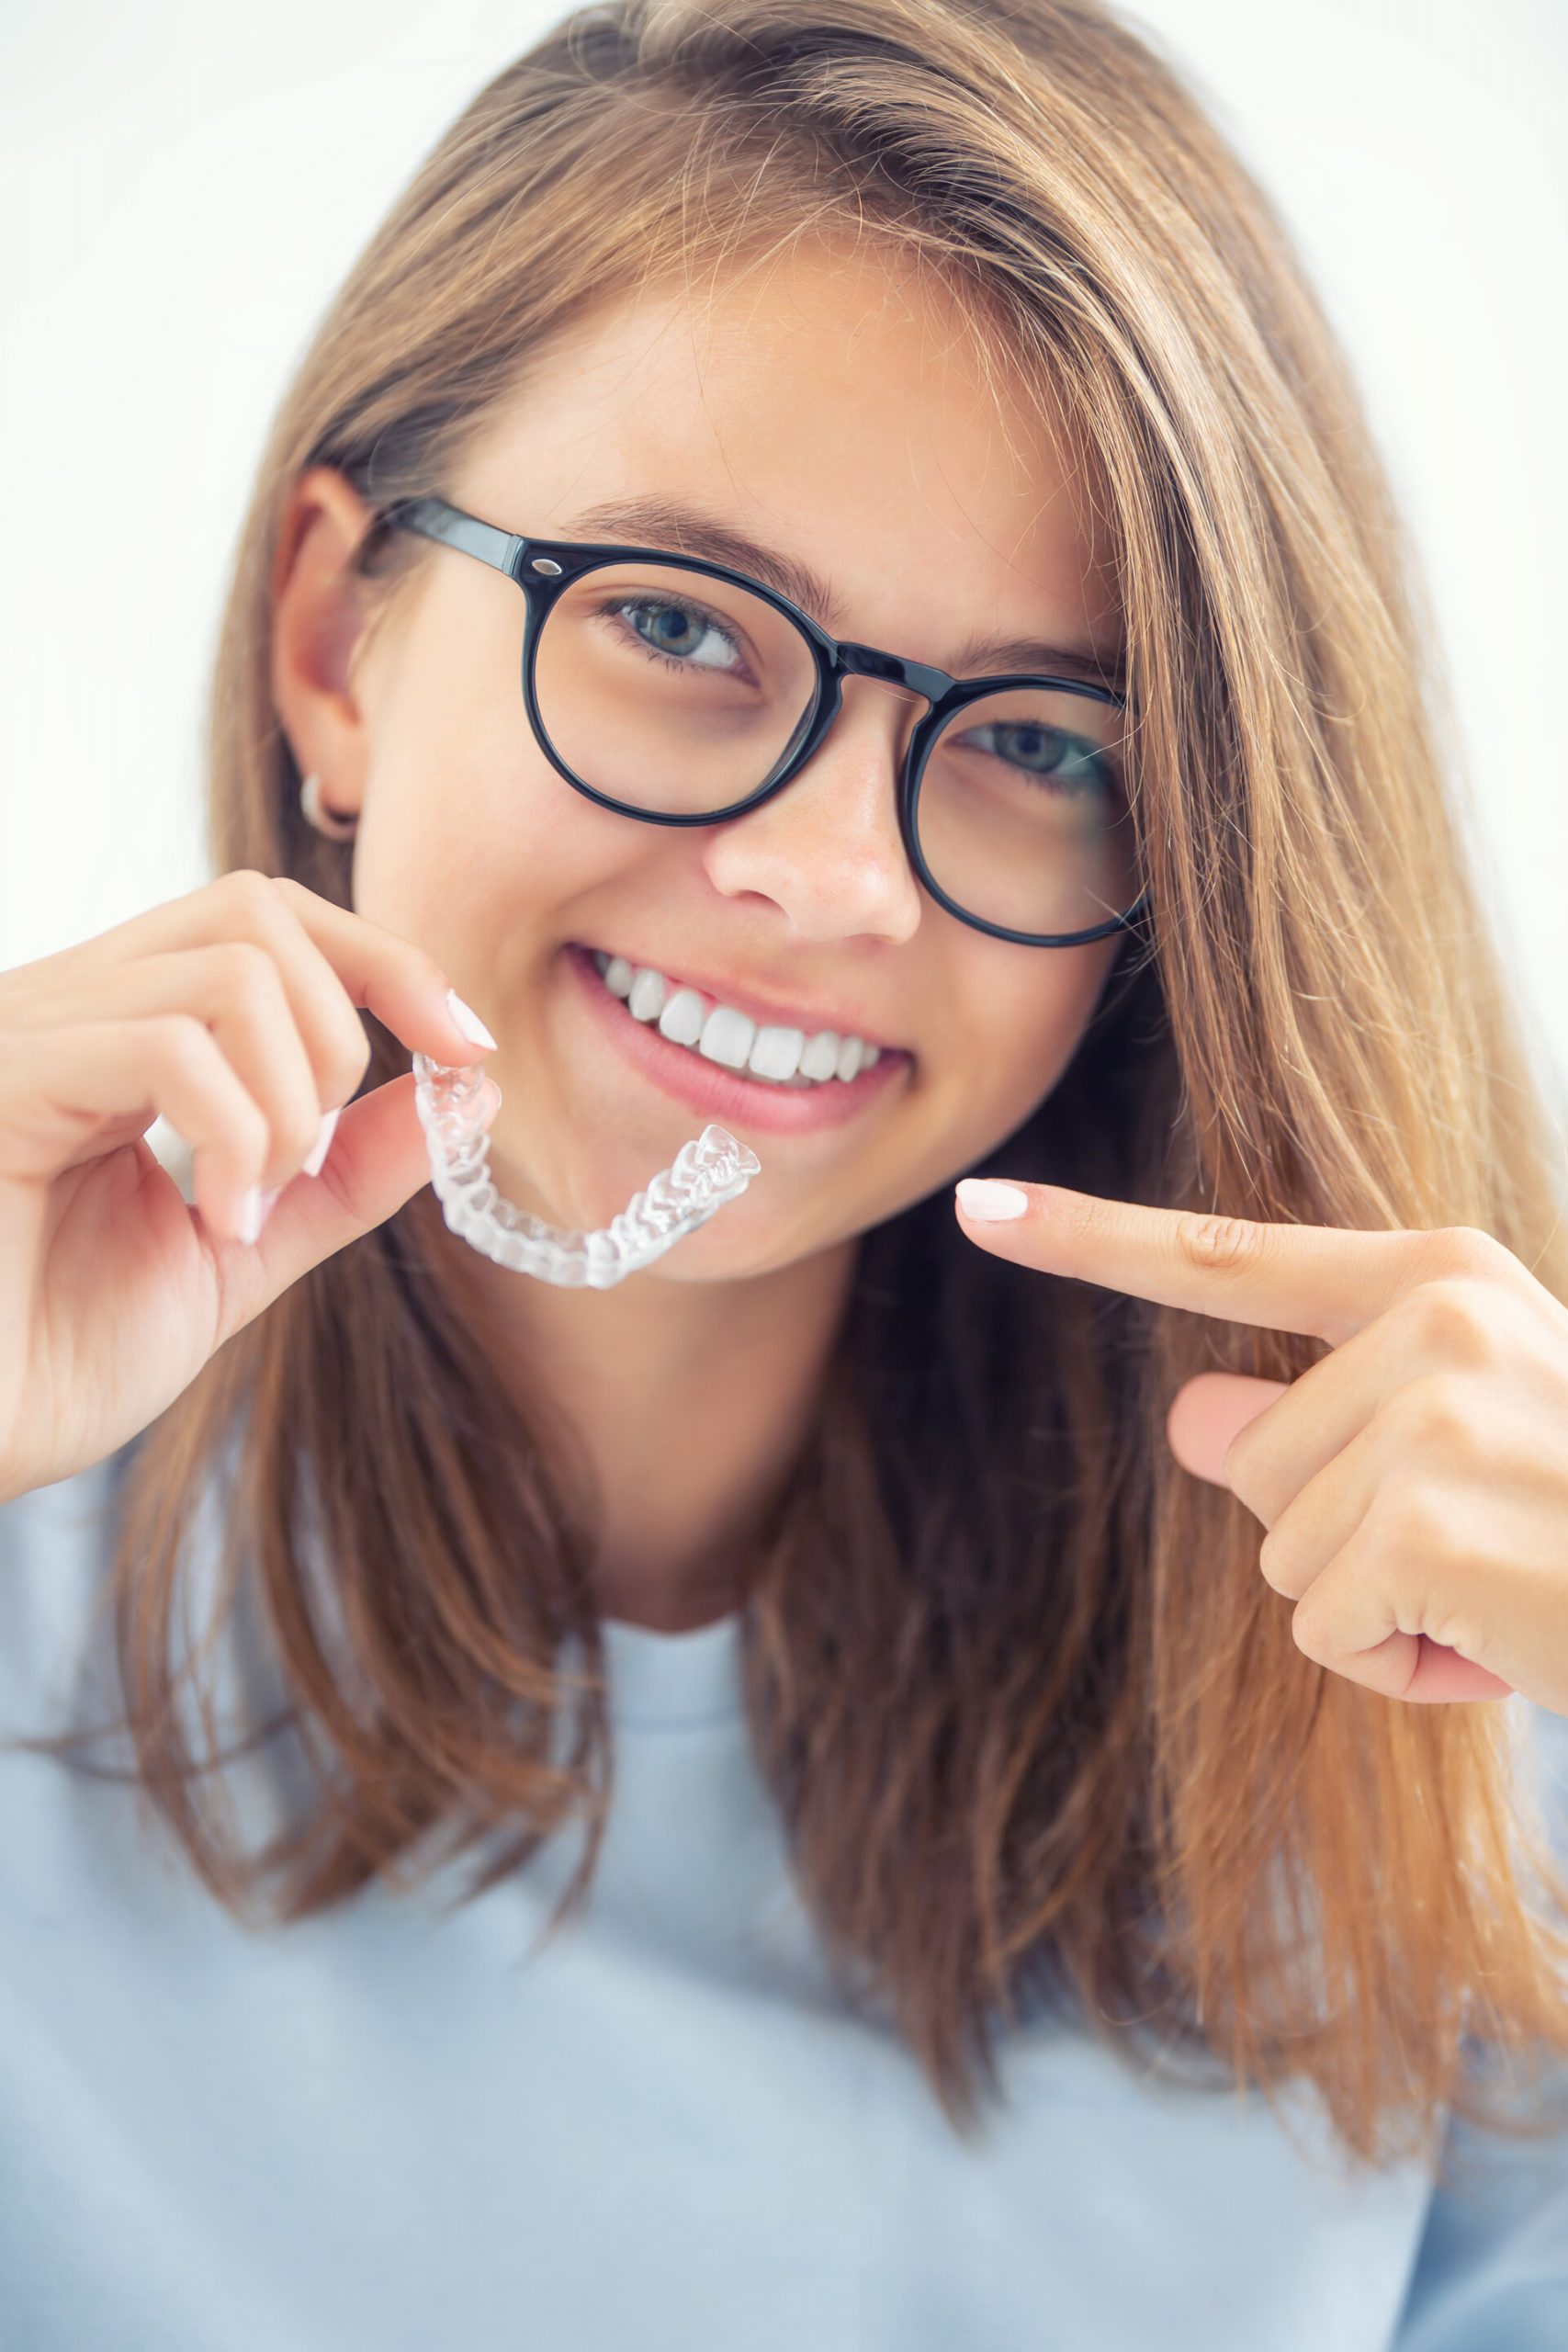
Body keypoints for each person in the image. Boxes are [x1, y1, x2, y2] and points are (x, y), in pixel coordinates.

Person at [2, 2, 1566, 2343]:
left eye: (1039, 740)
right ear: (337, 642)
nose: (832, 874)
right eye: (669, 626)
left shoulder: (1442, 1649)